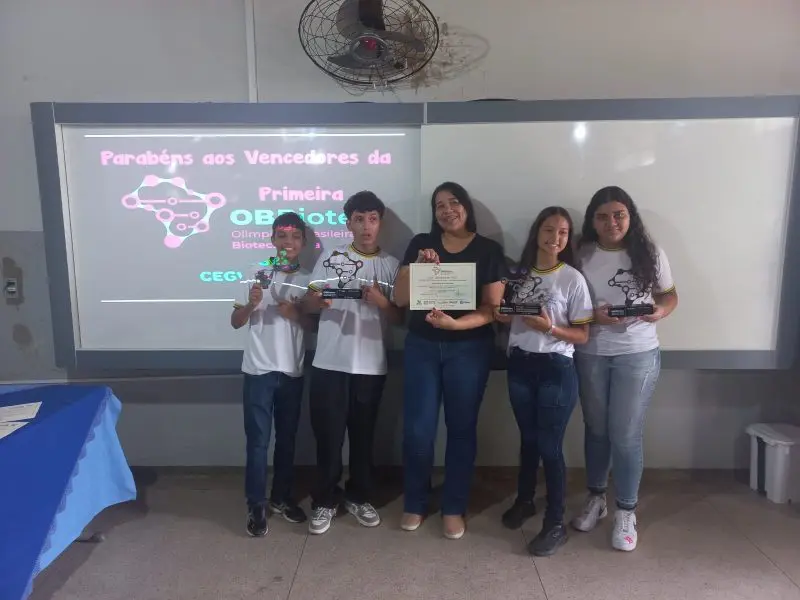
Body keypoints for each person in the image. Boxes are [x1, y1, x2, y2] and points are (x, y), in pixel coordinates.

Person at [393, 182, 505, 540]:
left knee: (461, 428)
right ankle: (416, 501)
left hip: (469, 348)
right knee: (418, 430)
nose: (447, 210)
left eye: (453, 202)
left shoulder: (488, 250)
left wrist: (457, 324)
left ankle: (454, 506)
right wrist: (416, 268)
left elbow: (493, 310)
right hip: (423, 346)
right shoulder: (420, 245)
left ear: (466, 207)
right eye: (439, 205)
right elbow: (399, 299)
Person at [571, 186, 678, 552]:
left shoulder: (650, 253)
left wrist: (660, 312)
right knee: (596, 429)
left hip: (638, 352)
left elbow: (669, 295)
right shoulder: (580, 253)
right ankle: (597, 498)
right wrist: (590, 316)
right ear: (592, 221)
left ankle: (626, 511)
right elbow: (567, 301)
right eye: (602, 216)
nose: (611, 222)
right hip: (592, 351)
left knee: (626, 434)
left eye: (618, 214)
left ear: (630, 216)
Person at [495, 207, 593, 556]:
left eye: (563, 232)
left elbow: (582, 335)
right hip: (520, 365)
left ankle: (555, 523)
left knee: (550, 446)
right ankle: (525, 501)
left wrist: (549, 328)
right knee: (529, 440)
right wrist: (503, 315)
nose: (555, 237)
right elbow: (506, 318)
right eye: (549, 229)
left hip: (555, 368)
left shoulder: (572, 278)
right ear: (537, 232)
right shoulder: (517, 275)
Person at [303, 190, 403, 535]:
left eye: (372, 219)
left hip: (370, 365)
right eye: (359, 219)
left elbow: (400, 317)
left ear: (380, 223)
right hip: (330, 363)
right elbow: (309, 303)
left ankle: (359, 496)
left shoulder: (391, 265)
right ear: (348, 223)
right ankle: (324, 500)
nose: (366, 226)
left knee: (363, 437)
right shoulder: (331, 256)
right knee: (328, 438)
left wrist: (380, 302)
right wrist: (316, 303)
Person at [231, 211, 313, 537]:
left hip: (292, 370)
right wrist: (251, 305)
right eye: (282, 236)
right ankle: (256, 503)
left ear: (303, 242)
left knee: (288, 441)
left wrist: (296, 313)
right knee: (258, 442)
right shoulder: (256, 271)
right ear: (272, 239)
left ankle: (280, 498)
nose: (288, 242)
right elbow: (236, 321)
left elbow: (313, 326)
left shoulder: (309, 279)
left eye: (294, 237)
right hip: (258, 370)